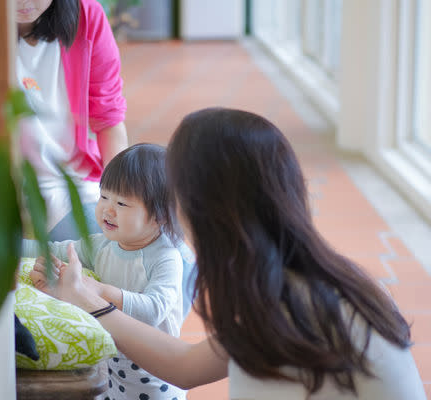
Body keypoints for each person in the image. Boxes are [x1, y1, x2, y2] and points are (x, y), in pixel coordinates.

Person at [33, 108, 427, 399]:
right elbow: (185, 367)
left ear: (206, 210)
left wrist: (90, 300)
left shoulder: (281, 311)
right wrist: (86, 300)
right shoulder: (307, 279)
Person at [25, 144, 188, 400]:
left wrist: (100, 290)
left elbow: (154, 309)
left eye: (122, 203)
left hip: (156, 381)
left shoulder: (166, 258)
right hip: (110, 371)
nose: (107, 210)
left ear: (160, 216)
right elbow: (53, 249)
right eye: (104, 197)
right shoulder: (101, 245)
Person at [16, 0, 128, 240]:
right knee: (110, 244)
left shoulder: (87, 17)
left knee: (163, 238)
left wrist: (120, 198)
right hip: (21, 191)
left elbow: (108, 119)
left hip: (82, 180)